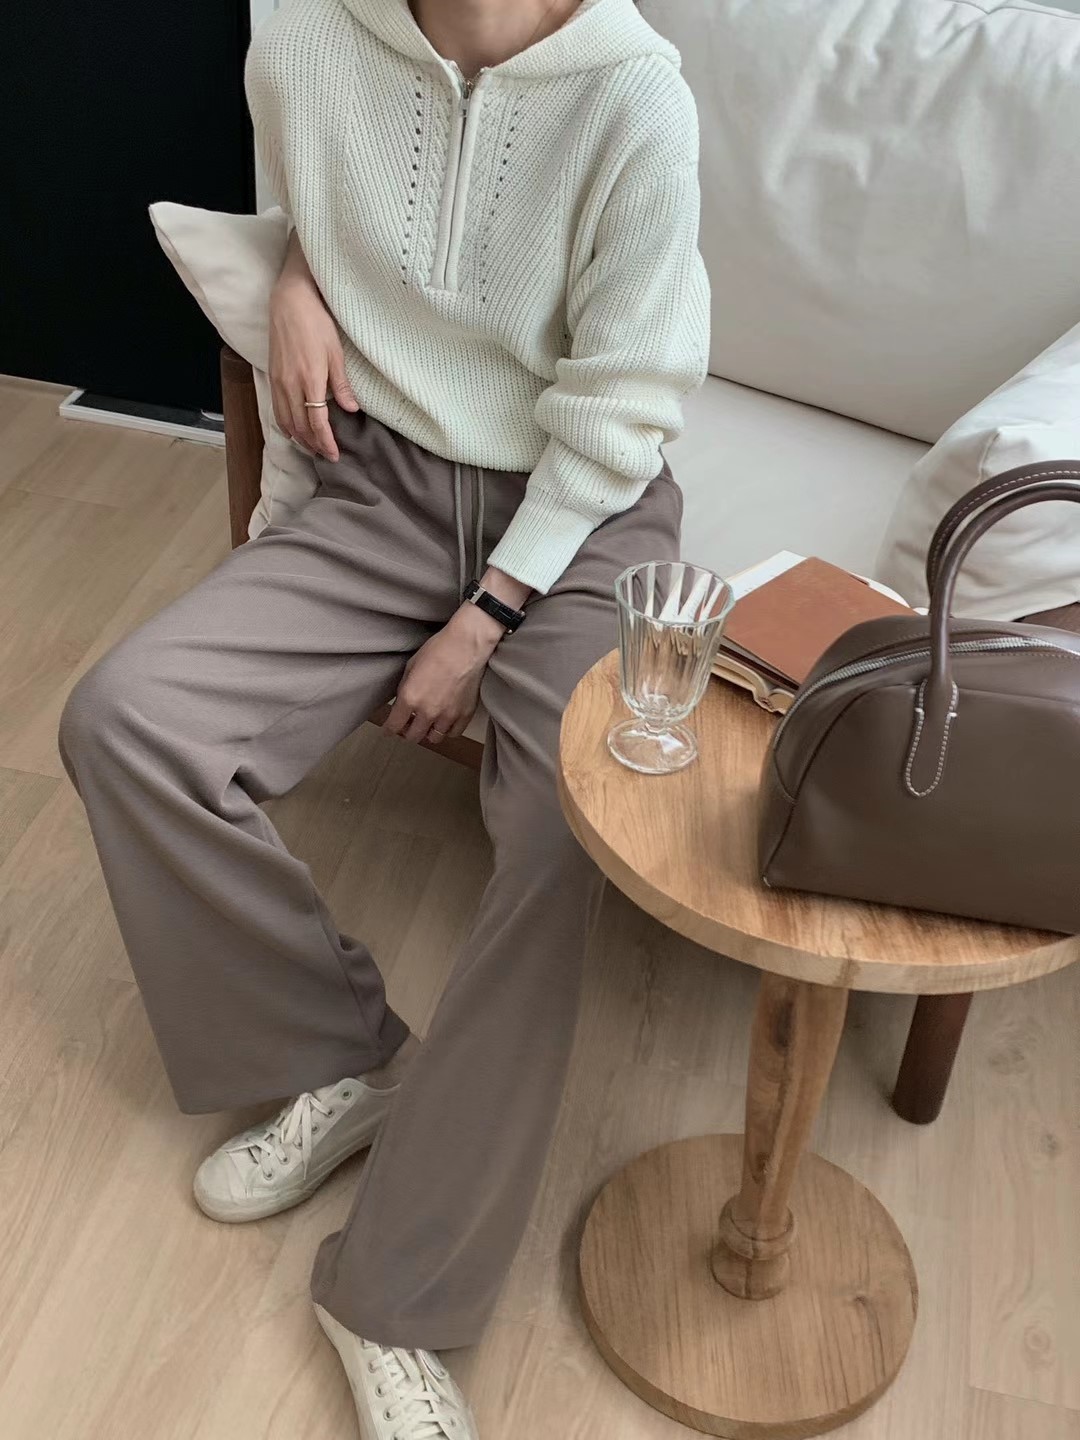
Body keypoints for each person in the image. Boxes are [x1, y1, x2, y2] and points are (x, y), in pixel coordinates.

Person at [58, 0, 708, 1433]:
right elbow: (330, 197)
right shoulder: (301, 30)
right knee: (127, 721)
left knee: (560, 836)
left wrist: (486, 620)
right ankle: (339, 1055)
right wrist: (296, 274)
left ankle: (396, 1297)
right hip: (388, 484)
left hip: (582, 516)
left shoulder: (635, 97)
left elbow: (624, 407)